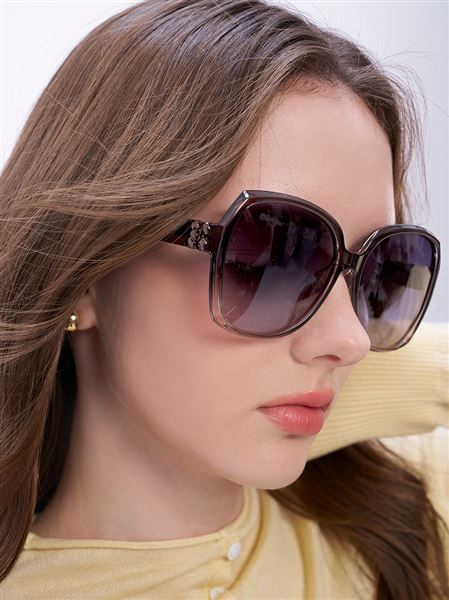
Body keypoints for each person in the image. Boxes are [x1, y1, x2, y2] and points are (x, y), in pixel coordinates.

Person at [0, 1, 447, 598]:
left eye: (381, 268)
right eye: (275, 260)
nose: (351, 340)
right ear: (88, 271)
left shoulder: (416, 517)